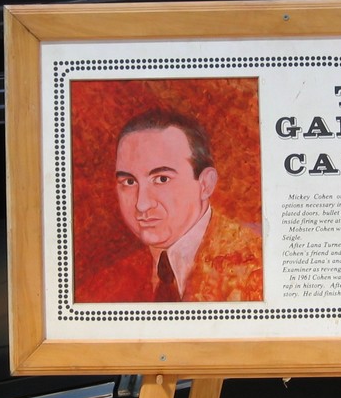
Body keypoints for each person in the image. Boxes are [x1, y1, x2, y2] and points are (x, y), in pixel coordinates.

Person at [75, 108, 264, 303]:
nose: (142, 204)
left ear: (205, 184)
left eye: (162, 179)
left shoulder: (259, 265)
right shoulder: (109, 284)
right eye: (129, 182)